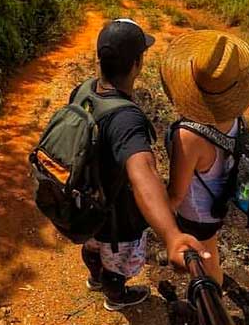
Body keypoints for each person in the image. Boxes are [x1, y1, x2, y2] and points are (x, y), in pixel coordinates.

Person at [77, 18, 208, 311]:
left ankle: (95, 278)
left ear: (99, 59)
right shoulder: (126, 119)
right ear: (137, 64)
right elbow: (142, 173)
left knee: (92, 246)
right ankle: (115, 294)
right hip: (117, 216)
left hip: (86, 201)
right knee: (118, 261)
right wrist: (172, 235)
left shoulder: (84, 90)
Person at [160, 30, 249, 287]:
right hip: (220, 202)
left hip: (197, 213)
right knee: (210, 251)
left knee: (207, 261)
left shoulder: (188, 135)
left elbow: (177, 194)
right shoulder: (234, 117)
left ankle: (212, 300)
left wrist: (160, 222)